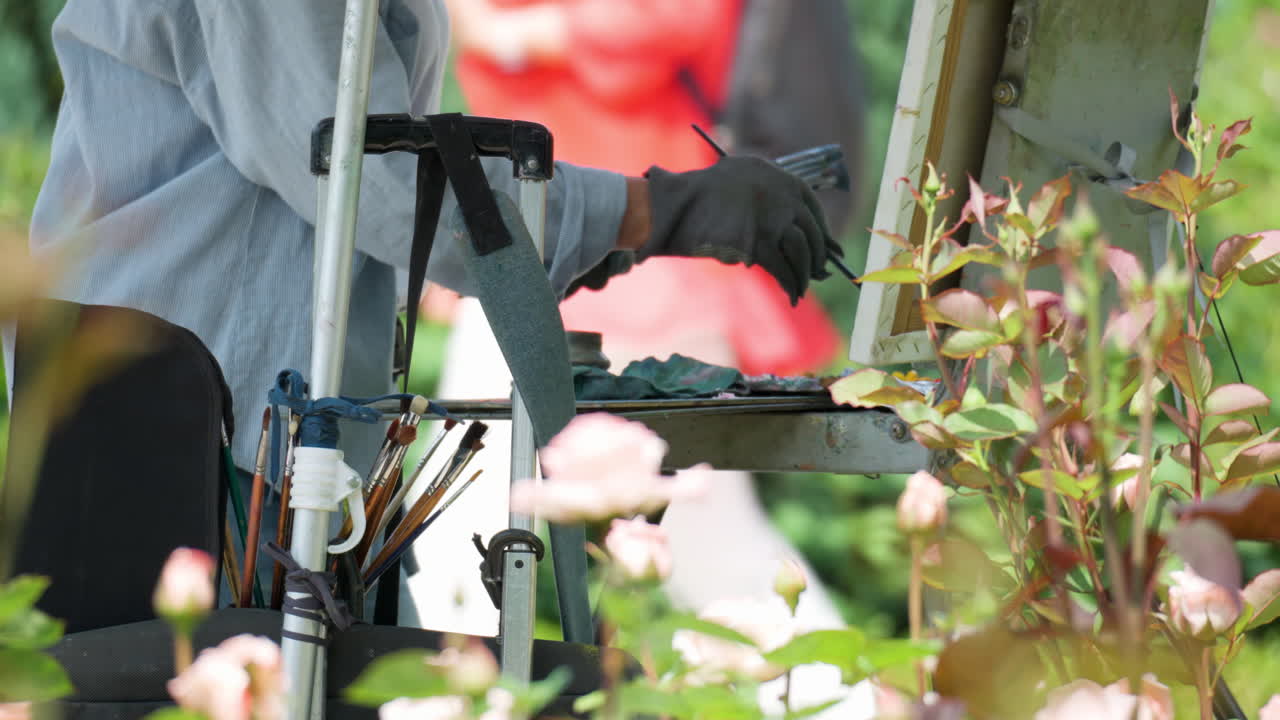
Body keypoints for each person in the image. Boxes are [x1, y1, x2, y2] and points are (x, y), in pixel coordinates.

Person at [15, 0, 834, 482]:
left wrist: (624, 224)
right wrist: (657, 210)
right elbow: (367, 173)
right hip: (178, 429)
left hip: (228, 423)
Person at [404, 1, 868, 716]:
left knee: (704, 544)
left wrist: (522, 33)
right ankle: (858, 699)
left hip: (640, 253)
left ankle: (857, 700)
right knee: (455, 541)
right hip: (533, 242)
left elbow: (670, 21)